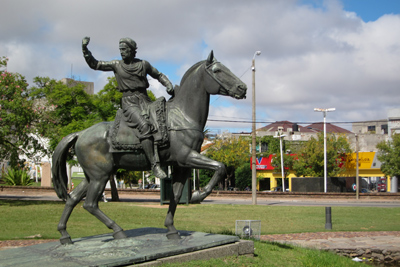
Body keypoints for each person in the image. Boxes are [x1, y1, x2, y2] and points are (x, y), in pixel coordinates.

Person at [82, 37, 173, 179]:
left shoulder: (143, 64)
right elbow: (95, 64)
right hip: (129, 103)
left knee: (163, 122)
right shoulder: (116, 64)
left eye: (124, 50)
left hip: (145, 99)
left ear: (132, 51)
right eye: (120, 50)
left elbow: (158, 75)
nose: (122, 52)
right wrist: (85, 50)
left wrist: (168, 84)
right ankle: (154, 165)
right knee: (144, 126)